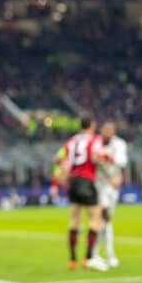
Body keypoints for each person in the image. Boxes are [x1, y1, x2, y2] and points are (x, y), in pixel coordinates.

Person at [56, 116, 107, 271]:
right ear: (91, 125)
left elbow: (58, 158)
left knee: (74, 220)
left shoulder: (72, 141)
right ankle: (88, 258)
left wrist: (65, 170)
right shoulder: (95, 139)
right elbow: (96, 156)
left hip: (73, 180)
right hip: (87, 179)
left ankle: (72, 260)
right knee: (95, 219)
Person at [93, 121, 127, 267]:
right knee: (104, 217)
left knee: (105, 220)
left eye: (110, 130)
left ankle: (95, 253)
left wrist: (106, 158)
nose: (107, 133)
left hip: (114, 187)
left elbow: (121, 161)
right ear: (101, 131)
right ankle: (109, 254)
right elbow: (95, 159)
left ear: (114, 132)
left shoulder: (119, 144)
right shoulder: (96, 143)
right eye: (105, 130)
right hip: (100, 185)